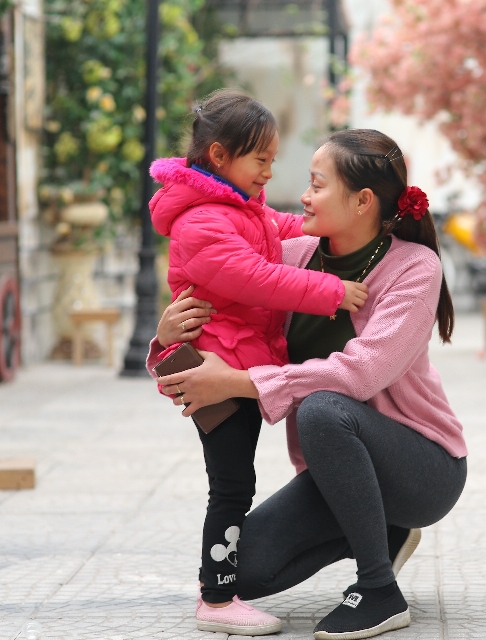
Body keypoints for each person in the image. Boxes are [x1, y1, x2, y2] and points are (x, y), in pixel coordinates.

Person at [151, 129, 468, 640]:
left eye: (317, 184)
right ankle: (383, 532)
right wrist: (166, 338)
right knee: (241, 569)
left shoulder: (414, 268)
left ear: (363, 201)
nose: (302, 196)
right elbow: (227, 313)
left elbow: (360, 373)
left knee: (325, 406)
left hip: (422, 468)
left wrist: (237, 382)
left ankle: (378, 589)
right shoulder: (294, 257)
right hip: (338, 469)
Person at [149, 89, 371, 635]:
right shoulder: (202, 222)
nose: (269, 172)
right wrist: (329, 290)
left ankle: (220, 590)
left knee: (236, 482)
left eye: (273, 160)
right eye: (261, 160)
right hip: (213, 372)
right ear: (220, 156)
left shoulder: (236, 208)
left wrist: (330, 226)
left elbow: (279, 227)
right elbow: (256, 278)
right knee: (230, 486)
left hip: (233, 362)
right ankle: (217, 601)